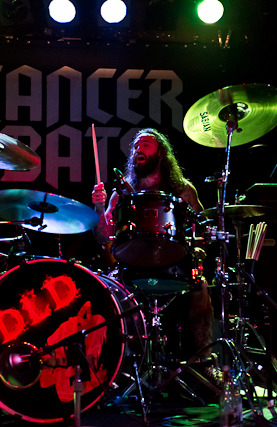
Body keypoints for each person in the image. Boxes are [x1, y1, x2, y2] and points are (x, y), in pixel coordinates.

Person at [91, 128, 214, 359]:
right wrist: (99, 206)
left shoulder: (182, 190)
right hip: (132, 267)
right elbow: (102, 236)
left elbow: (203, 229)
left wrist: (198, 248)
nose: (139, 148)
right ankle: (123, 362)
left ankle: (205, 360)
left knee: (201, 286)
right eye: (136, 145)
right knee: (105, 289)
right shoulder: (121, 194)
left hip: (173, 265)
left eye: (146, 144)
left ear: (160, 153)